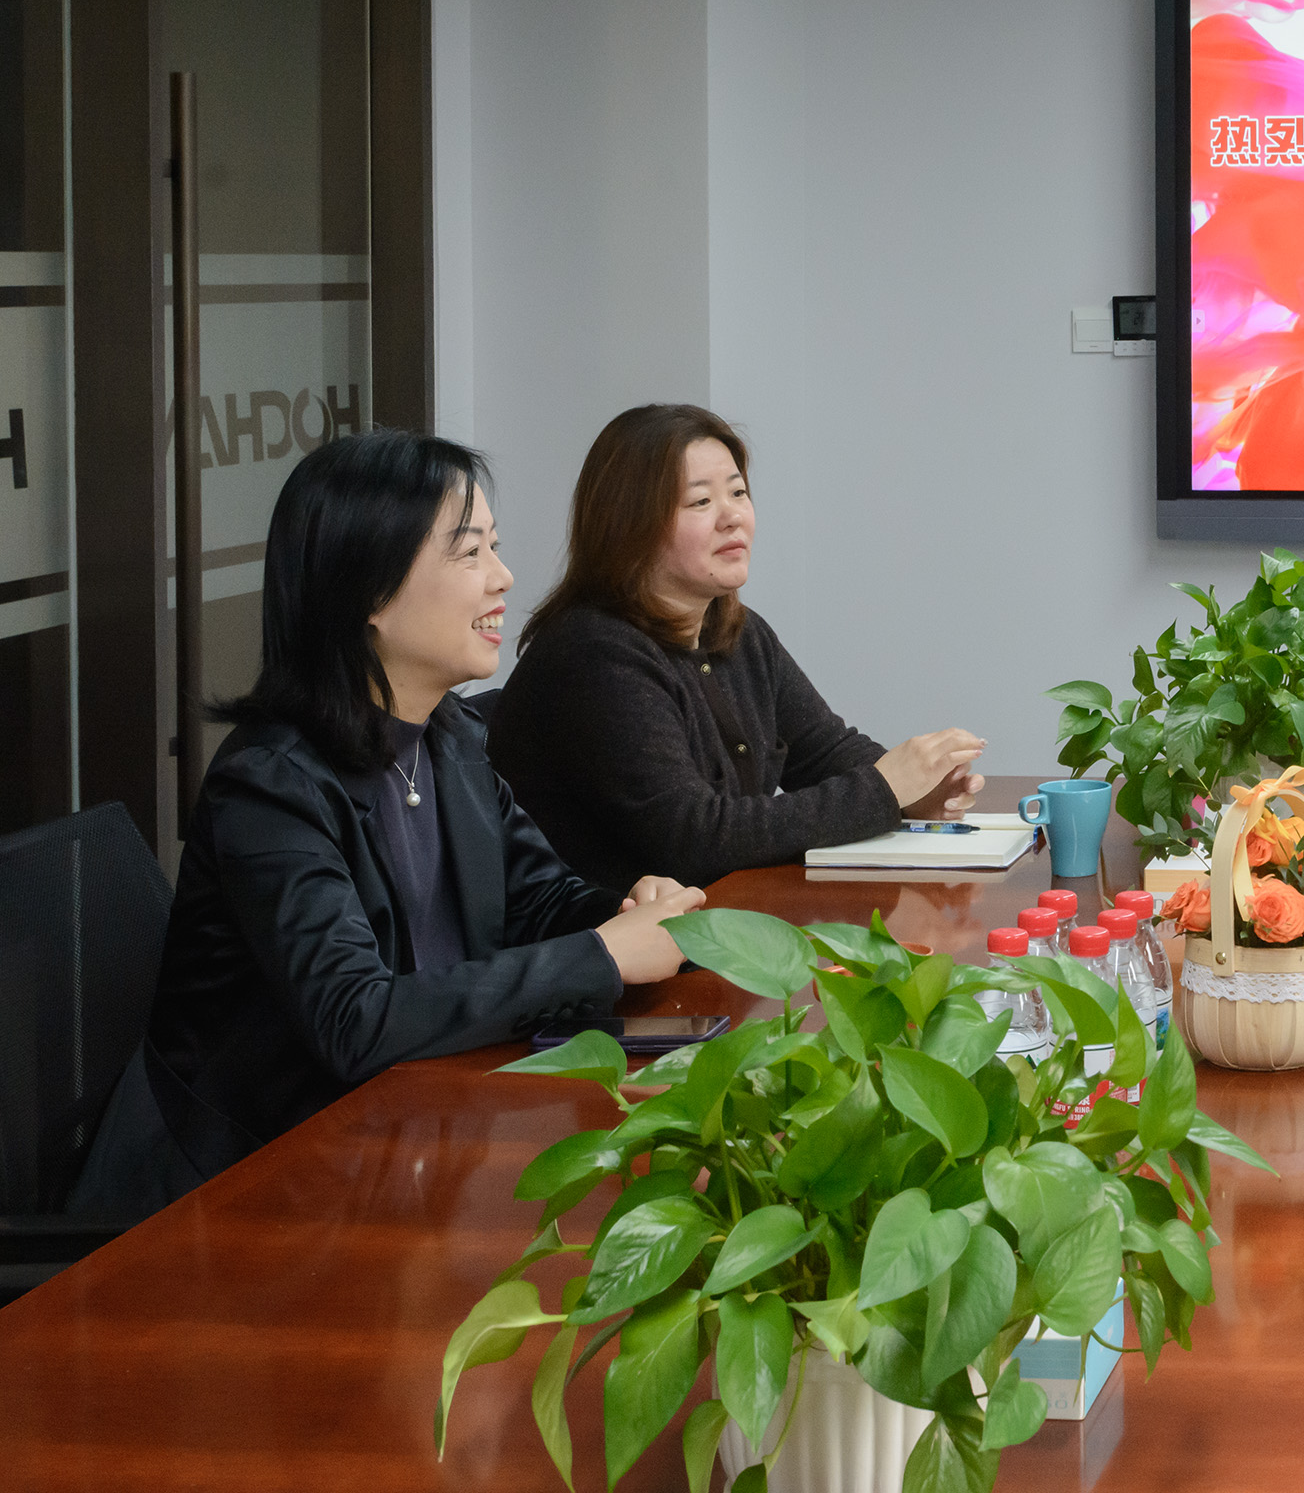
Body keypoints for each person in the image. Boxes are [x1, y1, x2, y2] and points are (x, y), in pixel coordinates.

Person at [72, 432, 702, 1215]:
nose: (502, 577)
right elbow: (354, 1020)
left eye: (495, 547)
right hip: (235, 1200)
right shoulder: (270, 785)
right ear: (369, 591)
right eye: (469, 553)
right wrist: (602, 956)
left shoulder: (449, 737)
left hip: (391, 1153)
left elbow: (536, 899)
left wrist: (633, 912)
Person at [485, 405, 986, 892]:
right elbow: (696, 837)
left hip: (715, 920)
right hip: (613, 939)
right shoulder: (595, 655)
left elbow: (826, 750)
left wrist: (918, 790)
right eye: (701, 501)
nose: (733, 518)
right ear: (628, 525)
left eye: (739, 492)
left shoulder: (738, 632)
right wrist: (883, 788)